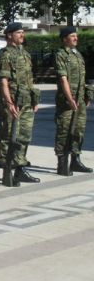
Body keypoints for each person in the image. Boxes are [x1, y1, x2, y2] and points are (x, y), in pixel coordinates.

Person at [0, 22, 41, 186]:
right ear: (9, 35)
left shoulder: (25, 54)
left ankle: (20, 168)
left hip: (26, 101)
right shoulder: (6, 55)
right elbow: (3, 81)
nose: (22, 35)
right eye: (19, 33)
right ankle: (7, 170)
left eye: (23, 32)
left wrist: (34, 99)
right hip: (13, 102)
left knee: (24, 136)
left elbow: (30, 80)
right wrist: (8, 102)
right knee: (9, 136)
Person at [54, 26, 93, 175]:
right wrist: (70, 98)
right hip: (67, 101)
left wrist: (85, 96)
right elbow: (63, 79)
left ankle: (75, 161)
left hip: (80, 100)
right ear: (65, 39)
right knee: (64, 130)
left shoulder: (78, 55)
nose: (76, 38)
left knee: (79, 131)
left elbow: (83, 78)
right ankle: (62, 164)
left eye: (76, 36)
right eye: (72, 36)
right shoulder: (61, 55)